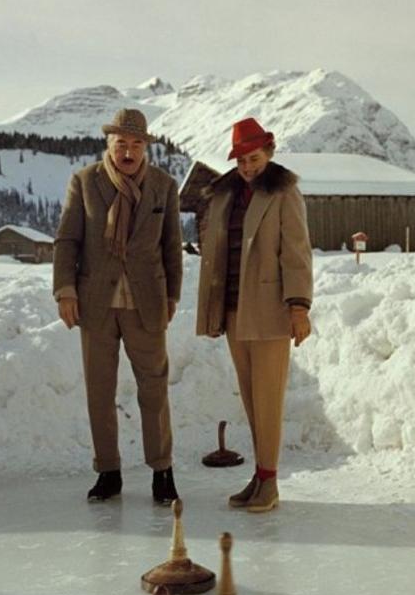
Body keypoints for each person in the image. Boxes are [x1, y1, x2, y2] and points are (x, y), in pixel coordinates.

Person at [53, 108, 183, 505]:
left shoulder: (164, 185)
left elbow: (171, 246)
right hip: (96, 302)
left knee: (154, 387)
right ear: (109, 145)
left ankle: (162, 470)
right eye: (121, 144)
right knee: (99, 389)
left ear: (146, 147)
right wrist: (65, 290)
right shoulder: (85, 181)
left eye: (136, 144)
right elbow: (67, 240)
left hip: (146, 301)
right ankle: (107, 470)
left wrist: (173, 295)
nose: (128, 152)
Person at [196, 118, 313, 513]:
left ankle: (270, 481)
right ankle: (261, 475)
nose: (248, 167)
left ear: (270, 153)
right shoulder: (226, 194)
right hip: (233, 310)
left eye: (254, 158)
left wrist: (298, 307)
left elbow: (296, 253)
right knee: (250, 398)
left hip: (269, 310)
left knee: (267, 399)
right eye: (242, 160)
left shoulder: (284, 192)